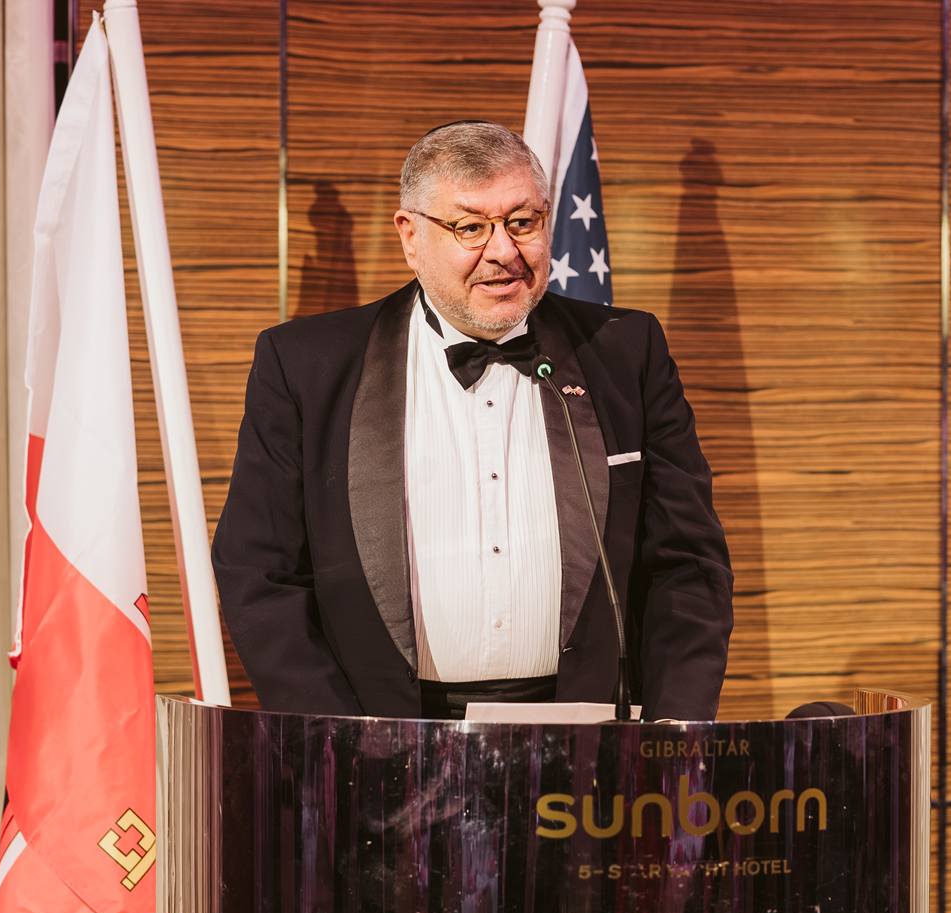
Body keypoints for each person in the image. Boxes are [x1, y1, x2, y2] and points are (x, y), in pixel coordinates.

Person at [211, 120, 732, 720]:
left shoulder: (625, 351)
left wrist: (672, 735)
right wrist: (337, 739)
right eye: (470, 227)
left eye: (522, 222)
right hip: (379, 735)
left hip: (594, 737)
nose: (504, 252)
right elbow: (260, 572)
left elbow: (687, 563)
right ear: (410, 236)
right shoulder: (307, 365)